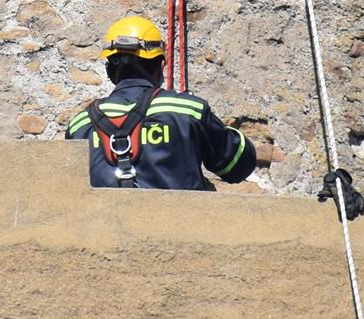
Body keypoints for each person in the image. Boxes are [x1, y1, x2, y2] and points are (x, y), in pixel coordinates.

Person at [65, 15, 260, 190]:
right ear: (161, 65)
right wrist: (210, 128)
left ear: (109, 71)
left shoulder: (79, 126)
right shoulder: (190, 111)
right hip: (179, 229)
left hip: (104, 229)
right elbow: (238, 166)